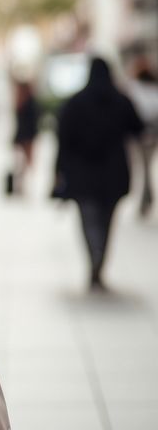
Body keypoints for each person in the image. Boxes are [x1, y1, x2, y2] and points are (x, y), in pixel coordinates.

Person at [54, 57, 143, 290]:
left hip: (83, 176)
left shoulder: (75, 103)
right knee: (107, 222)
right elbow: (138, 127)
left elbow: (63, 140)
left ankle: (94, 258)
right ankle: (99, 262)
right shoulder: (121, 100)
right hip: (114, 176)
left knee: (89, 221)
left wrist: (58, 171)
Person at [126, 58, 158, 218]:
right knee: (146, 168)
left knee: (144, 169)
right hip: (149, 134)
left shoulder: (135, 89)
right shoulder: (152, 89)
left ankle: (146, 201)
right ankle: (147, 200)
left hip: (142, 134)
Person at [11, 79, 40, 195]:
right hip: (26, 137)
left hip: (24, 137)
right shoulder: (27, 102)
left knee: (23, 164)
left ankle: (22, 186)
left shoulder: (21, 102)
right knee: (25, 164)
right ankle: (22, 186)